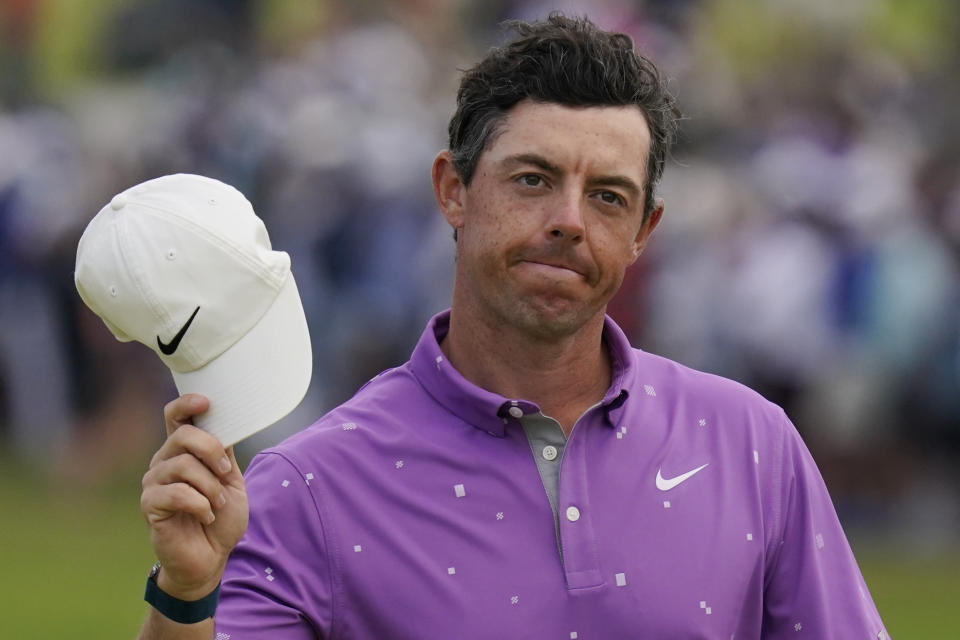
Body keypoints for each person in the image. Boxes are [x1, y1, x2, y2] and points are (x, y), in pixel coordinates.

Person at [136, 14, 889, 639]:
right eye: (533, 180)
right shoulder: (312, 488)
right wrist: (186, 593)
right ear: (453, 190)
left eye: (607, 197)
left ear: (644, 231)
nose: (567, 221)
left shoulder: (750, 445)